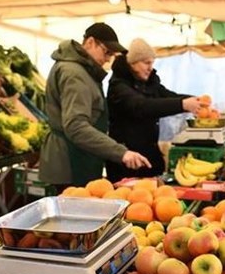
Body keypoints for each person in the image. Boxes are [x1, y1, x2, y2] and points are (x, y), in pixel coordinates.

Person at [39, 23, 151, 189]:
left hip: (77, 159)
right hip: (71, 163)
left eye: (112, 55)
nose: (108, 59)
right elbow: (76, 126)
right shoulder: (74, 74)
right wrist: (121, 152)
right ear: (90, 42)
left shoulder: (83, 71)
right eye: (107, 52)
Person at [105, 38, 202, 182]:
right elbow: (142, 106)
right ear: (132, 63)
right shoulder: (118, 86)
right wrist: (183, 104)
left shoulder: (149, 82)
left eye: (152, 63)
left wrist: (196, 101)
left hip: (149, 153)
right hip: (127, 159)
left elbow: (168, 96)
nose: (150, 68)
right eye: (146, 63)